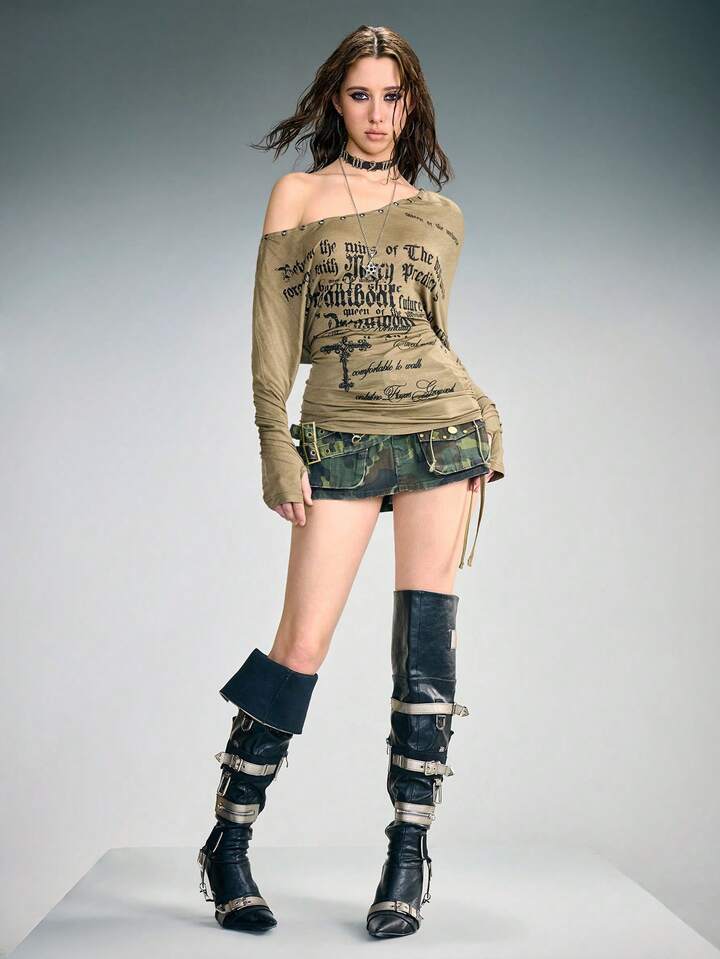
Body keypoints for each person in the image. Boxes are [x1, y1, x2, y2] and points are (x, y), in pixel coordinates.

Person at [197, 23, 506, 939]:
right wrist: (275, 445)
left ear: (412, 105)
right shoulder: (296, 195)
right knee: (302, 640)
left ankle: (406, 859)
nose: (378, 113)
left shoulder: (440, 214)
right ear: (337, 99)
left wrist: (484, 423)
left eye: (393, 96)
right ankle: (227, 839)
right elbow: (271, 336)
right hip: (337, 438)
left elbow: (431, 337)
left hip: (441, 435)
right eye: (362, 94)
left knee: (427, 647)